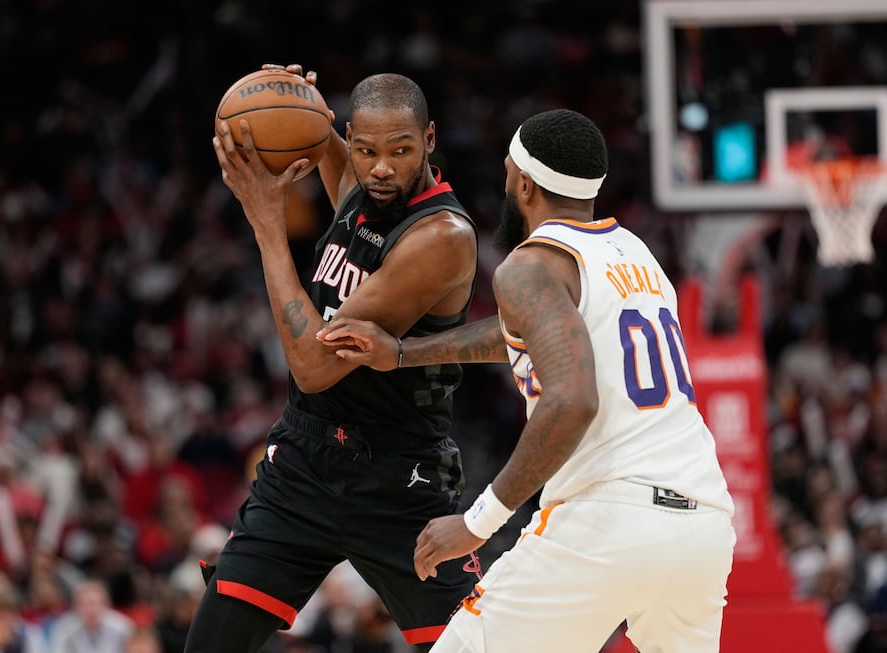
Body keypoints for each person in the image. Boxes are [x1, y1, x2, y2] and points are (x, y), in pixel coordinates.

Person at [317, 108, 737, 652]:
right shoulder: (636, 254)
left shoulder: (529, 266)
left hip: (608, 518)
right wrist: (404, 353)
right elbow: (534, 334)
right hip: (701, 523)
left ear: (523, 181)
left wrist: (477, 522)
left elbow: (573, 398)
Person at [185, 65, 480, 653]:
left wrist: (269, 227)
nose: (380, 167)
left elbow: (312, 368)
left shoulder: (441, 237)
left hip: (399, 478)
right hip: (304, 461)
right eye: (365, 148)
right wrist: (300, 102)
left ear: (428, 140)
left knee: (473, 646)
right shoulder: (361, 185)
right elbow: (320, 141)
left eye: (399, 150)